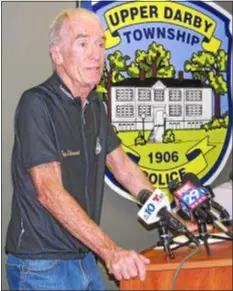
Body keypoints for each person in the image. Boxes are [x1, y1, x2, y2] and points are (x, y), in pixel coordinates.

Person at [5, 7, 196, 291]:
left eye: (100, 43)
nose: (96, 54)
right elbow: (49, 191)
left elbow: (124, 168)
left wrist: (170, 217)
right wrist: (110, 251)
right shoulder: (37, 105)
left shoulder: (93, 105)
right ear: (56, 54)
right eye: (83, 43)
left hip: (85, 257)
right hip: (42, 266)